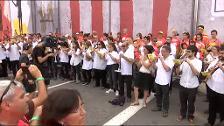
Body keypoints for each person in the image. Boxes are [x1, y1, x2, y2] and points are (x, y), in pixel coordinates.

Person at [176, 45, 202, 123]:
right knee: (182, 101)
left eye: (188, 51)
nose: (186, 53)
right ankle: (182, 114)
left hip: (193, 86)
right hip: (183, 84)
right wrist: (177, 65)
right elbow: (177, 73)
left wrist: (189, 63)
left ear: (193, 52)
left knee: (191, 103)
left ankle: (190, 116)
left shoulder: (198, 62)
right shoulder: (183, 60)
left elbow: (196, 73)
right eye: (186, 51)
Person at [152, 46, 175, 117]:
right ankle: (158, 106)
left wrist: (162, 60)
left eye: (164, 51)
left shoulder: (171, 59)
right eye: (161, 51)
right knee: (158, 94)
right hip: (158, 79)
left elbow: (167, 69)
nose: (162, 52)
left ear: (168, 52)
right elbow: (156, 67)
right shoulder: (160, 58)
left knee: (165, 97)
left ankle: (165, 110)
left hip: (165, 81)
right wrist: (153, 61)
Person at [204, 45, 224, 126]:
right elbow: (209, 69)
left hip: (222, 91)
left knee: (222, 108)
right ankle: (210, 122)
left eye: (223, 54)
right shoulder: (216, 60)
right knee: (212, 106)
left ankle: (222, 121)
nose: (221, 55)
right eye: (221, 53)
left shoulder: (219, 63)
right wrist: (209, 70)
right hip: (212, 87)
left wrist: (221, 67)